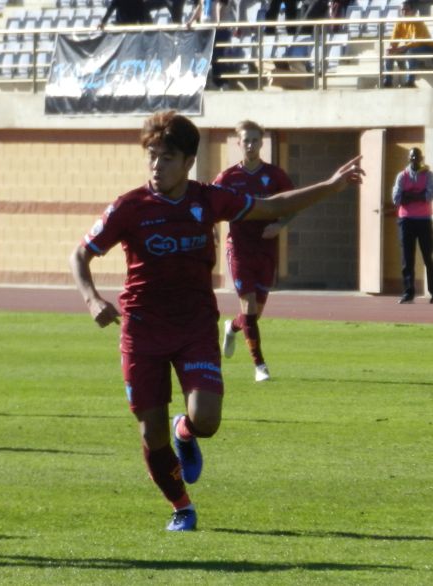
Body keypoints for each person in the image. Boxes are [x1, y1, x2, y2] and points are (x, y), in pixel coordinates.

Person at [69, 110, 363, 532]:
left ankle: (184, 431)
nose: (156, 165)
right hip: (143, 330)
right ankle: (182, 508)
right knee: (151, 434)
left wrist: (331, 187)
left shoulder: (208, 199)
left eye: (167, 157)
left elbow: (270, 207)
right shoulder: (129, 207)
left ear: (188, 161)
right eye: (152, 155)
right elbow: (81, 254)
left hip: (194, 327)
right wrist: (91, 297)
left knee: (206, 419)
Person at [214, 120, 294, 382]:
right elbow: (210, 204)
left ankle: (232, 326)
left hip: (266, 250)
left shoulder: (275, 175)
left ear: (262, 143)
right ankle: (259, 365)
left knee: (254, 313)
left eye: (254, 140)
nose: (250, 145)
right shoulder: (228, 177)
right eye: (245, 140)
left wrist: (280, 225)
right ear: (239, 143)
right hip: (238, 249)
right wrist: (212, 229)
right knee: (248, 305)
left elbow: (293, 205)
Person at [391, 147, 433, 303]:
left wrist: (408, 195)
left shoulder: (428, 175)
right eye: (412, 156)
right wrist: (418, 195)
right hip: (406, 220)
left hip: (423, 220)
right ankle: (409, 292)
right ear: (409, 158)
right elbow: (396, 198)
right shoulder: (402, 176)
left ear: (421, 158)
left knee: (428, 256)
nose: (415, 158)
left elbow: (429, 196)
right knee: (407, 258)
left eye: (417, 156)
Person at [186, 0, 241, 89]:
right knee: (203, 55)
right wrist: (191, 21)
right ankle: (205, 81)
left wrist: (217, 23)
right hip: (205, 27)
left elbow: (218, 6)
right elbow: (200, 6)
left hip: (218, 30)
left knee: (217, 56)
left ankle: (220, 82)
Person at [383, 0, 433, 88]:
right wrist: (392, 48)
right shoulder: (399, 23)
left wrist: (402, 48)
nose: (404, 12)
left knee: (411, 51)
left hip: (427, 47)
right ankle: (388, 81)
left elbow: (417, 42)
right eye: (402, 10)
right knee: (389, 53)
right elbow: (394, 41)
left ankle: (410, 81)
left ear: (413, 12)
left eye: (407, 10)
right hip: (411, 47)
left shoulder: (418, 22)